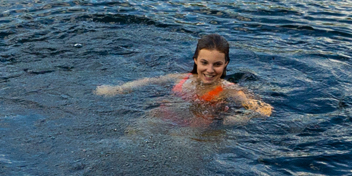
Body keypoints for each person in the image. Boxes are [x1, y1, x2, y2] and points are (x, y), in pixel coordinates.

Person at [95, 34, 274, 126]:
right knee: (135, 131)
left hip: (194, 131)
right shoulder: (184, 78)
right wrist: (117, 89)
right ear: (195, 60)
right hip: (164, 117)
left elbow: (255, 107)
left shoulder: (229, 89)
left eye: (217, 64)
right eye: (204, 62)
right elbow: (150, 80)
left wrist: (232, 121)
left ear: (226, 64)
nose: (210, 70)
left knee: (180, 143)